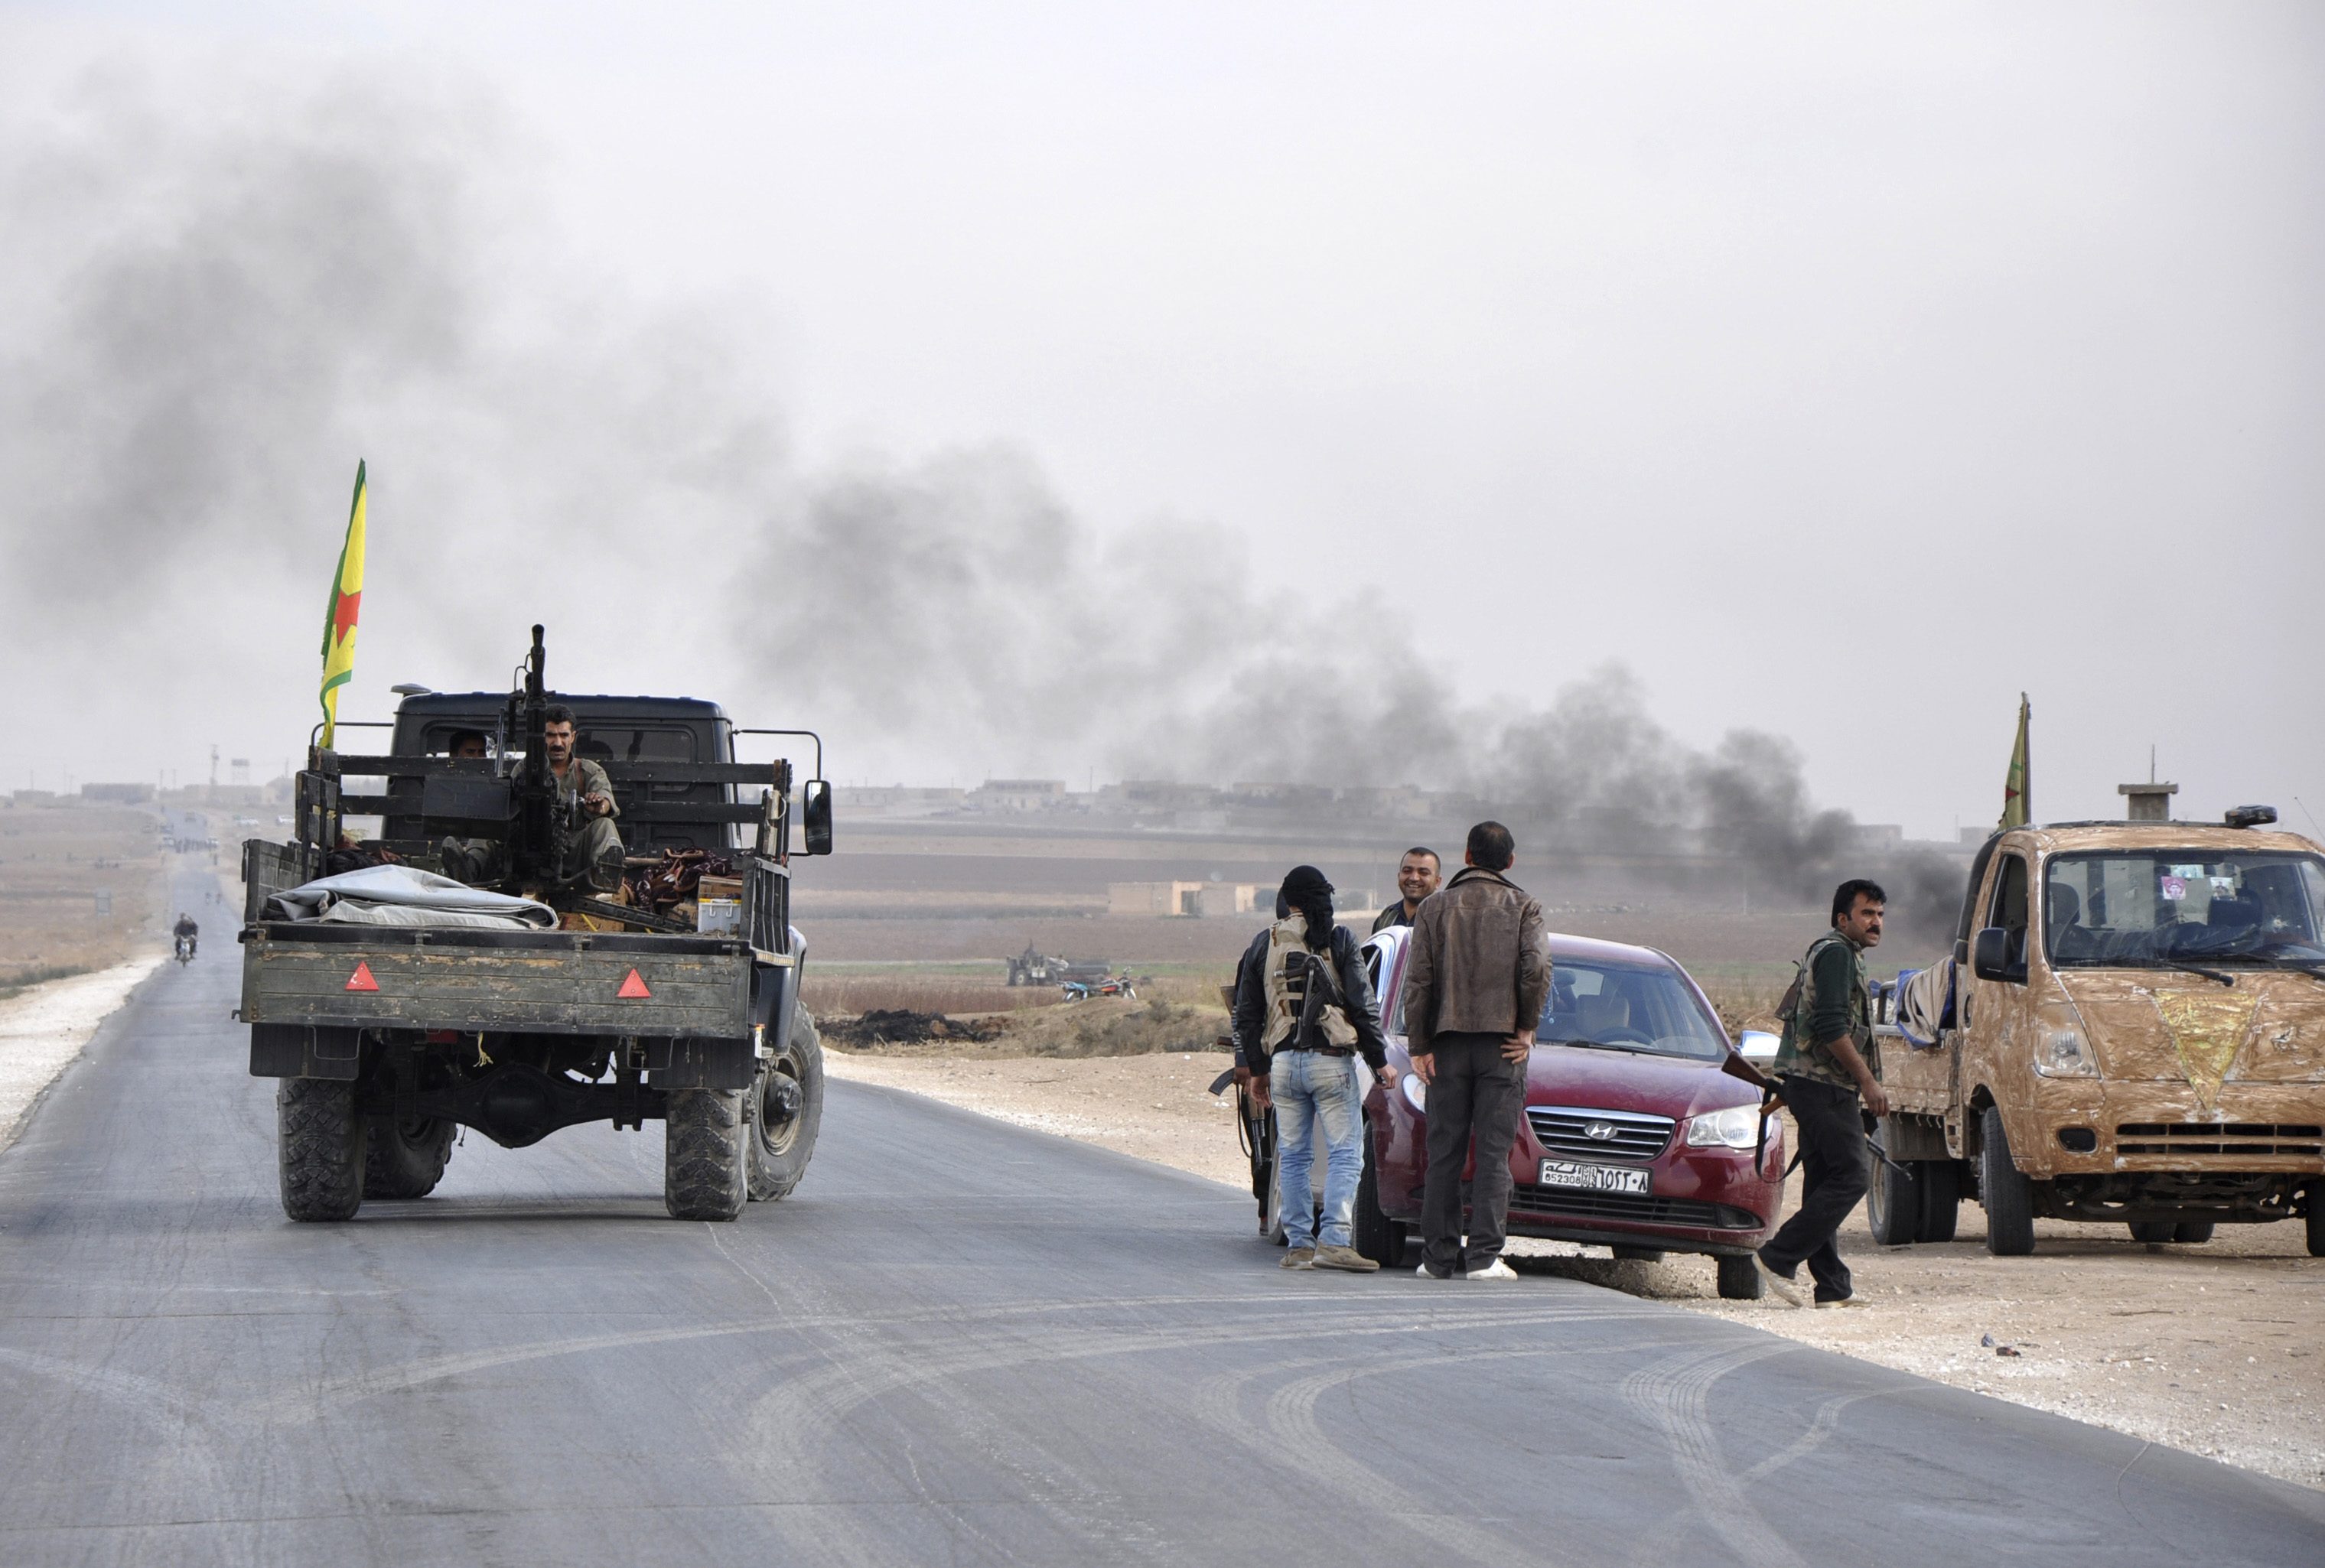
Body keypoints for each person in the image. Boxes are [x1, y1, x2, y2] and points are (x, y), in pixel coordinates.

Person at [1401, 821, 1549, 1280]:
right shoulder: (1526, 907)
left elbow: (1418, 981)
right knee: (1492, 1153)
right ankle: (1484, 1258)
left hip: (1445, 1046)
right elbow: (1536, 968)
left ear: (1466, 856)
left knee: (1443, 1151)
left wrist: (1420, 1044)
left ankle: (1437, 1258)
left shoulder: (1433, 908)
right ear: (1509, 862)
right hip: (1502, 1047)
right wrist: (1526, 1027)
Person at [1233, 866, 1395, 1273]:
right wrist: (1379, 1062)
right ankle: (1335, 1241)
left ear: (1289, 902)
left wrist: (1257, 1070)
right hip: (1331, 1064)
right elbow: (1363, 1005)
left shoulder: (1262, 943)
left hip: (1284, 1065)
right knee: (1345, 1154)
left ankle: (1300, 1246)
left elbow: (1247, 1013)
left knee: (1293, 1155)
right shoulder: (1339, 939)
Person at [1756, 878, 1890, 1309]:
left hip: (1811, 1085)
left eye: (1880, 914)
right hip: (1823, 1086)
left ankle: (1832, 1287)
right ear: (1842, 918)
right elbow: (1832, 1028)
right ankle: (1778, 1257)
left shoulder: (1838, 953)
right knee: (1851, 1176)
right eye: (1867, 913)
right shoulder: (1836, 955)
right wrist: (1868, 1082)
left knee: (1822, 1182)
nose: (1876, 922)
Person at [541, 706, 625, 889]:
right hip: (532, 849)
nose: (557, 742)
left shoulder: (588, 771)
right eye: (551, 735)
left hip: (574, 850)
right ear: (542, 736)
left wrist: (599, 806)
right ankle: (468, 876)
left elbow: (606, 801)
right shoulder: (524, 771)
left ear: (573, 737)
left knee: (605, 825)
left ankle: (607, 880)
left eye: (563, 735)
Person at [1371, 847, 1443, 933]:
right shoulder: (1387, 918)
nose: (1414, 878)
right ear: (1399, 876)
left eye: (1423, 873)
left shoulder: (1446, 919)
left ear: (1437, 882)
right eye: (1407, 871)